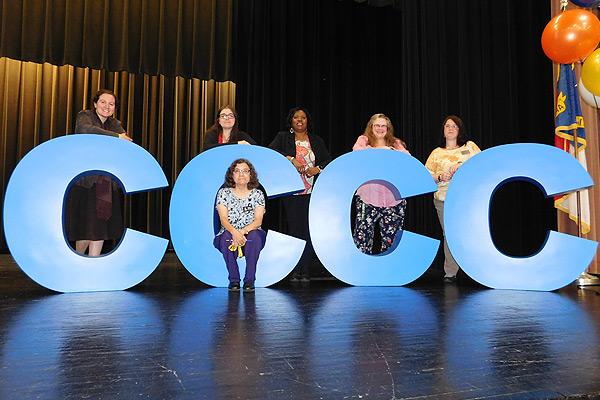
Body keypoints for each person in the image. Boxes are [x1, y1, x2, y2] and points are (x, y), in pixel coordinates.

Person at [65, 89, 132, 256]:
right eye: (103, 102)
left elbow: (126, 143)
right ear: (95, 104)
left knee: (99, 227)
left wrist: (120, 138)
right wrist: (117, 137)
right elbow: (85, 130)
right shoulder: (85, 116)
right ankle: (78, 259)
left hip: (105, 183)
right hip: (85, 182)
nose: (107, 107)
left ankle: (92, 262)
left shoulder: (115, 123)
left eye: (111, 104)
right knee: (85, 227)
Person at [268, 107, 331, 282]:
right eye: (296, 117)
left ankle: (306, 269)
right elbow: (270, 151)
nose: (300, 120)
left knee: (309, 230)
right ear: (291, 121)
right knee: (295, 230)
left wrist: (317, 169)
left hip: (313, 192)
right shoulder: (283, 137)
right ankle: (295, 269)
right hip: (292, 192)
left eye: (303, 117)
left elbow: (327, 159)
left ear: (307, 121)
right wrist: (290, 158)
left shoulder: (316, 140)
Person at [425, 115, 481, 283]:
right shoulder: (436, 153)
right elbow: (426, 176)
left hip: (466, 198)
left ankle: (475, 269)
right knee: (449, 234)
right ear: (443, 131)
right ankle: (450, 273)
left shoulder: (469, 147)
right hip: (443, 199)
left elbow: (482, 162)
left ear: (459, 130)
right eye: (447, 126)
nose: (450, 129)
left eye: (454, 126)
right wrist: (440, 176)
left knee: (469, 232)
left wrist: (459, 166)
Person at [352, 113, 410, 255]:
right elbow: (356, 154)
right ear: (371, 127)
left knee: (392, 242)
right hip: (368, 197)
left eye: (383, 125)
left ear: (388, 128)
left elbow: (408, 160)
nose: (380, 128)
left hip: (394, 199)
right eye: (377, 125)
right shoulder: (363, 141)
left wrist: (391, 151)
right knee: (362, 239)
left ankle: (390, 274)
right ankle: (362, 274)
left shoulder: (395, 143)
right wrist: (383, 151)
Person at [214, 158, 266, 292]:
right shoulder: (223, 193)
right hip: (228, 231)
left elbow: (258, 220)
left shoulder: (258, 194)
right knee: (226, 238)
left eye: (245, 171)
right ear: (232, 175)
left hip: (251, 231)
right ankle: (234, 280)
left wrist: (241, 231)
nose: (241, 174)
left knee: (254, 237)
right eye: (237, 171)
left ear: (250, 175)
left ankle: (249, 281)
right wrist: (234, 232)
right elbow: (223, 219)